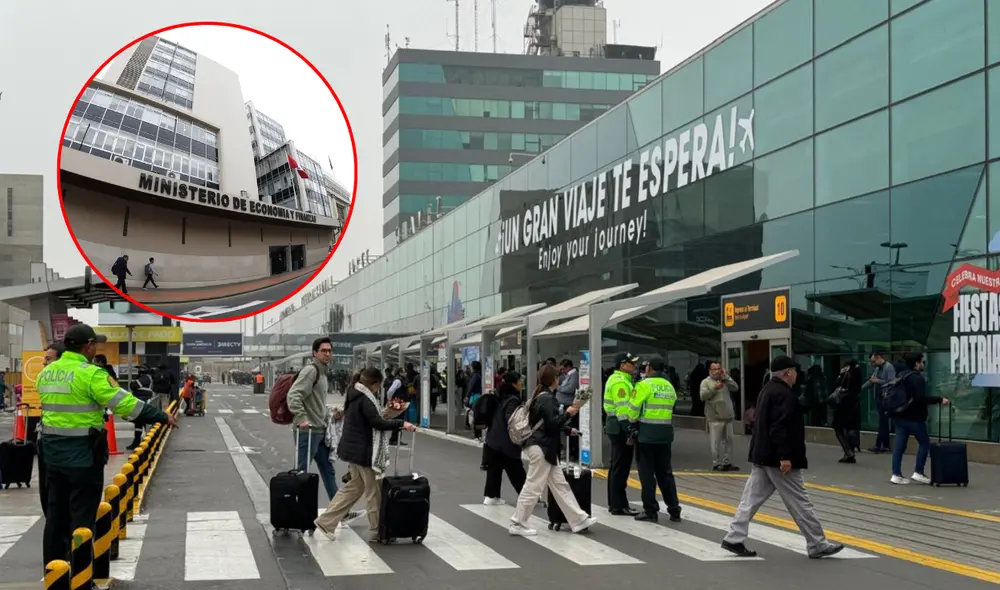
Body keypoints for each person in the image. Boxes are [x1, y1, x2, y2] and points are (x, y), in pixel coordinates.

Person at [36, 323, 177, 570]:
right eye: (94, 344)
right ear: (88, 346)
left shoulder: (47, 372)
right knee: (82, 516)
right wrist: (161, 416)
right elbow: (126, 405)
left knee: (56, 514)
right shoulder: (91, 374)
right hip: (82, 455)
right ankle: (81, 573)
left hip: (51, 455)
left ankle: (53, 570)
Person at [721, 356, 844, 559]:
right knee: (800, 501)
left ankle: (734, 538)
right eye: (794, 371)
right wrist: (785, 456)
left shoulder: (768, 389)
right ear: (787, 372)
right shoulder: (783, 394)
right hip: (778, 459)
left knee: (750, 500)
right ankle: (817, 543)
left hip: (762, 455)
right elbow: (780, 427)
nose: (797, 375)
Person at [314, 367, 416, 539]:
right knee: (373, 491)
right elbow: (377, 422)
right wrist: (401, 423)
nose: (378, 389)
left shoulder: (354, 393)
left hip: (354, 450)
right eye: (379, 386)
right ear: (374, 384)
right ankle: (378, 529)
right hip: (365, 452)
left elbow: (371, 419)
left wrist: (387, 413)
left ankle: (325, 522)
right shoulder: (365, 399)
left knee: (354, 488)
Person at [509, 365, 597, 536]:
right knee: (533, 486)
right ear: (554, 379)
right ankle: (518, 523)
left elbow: (546, 422)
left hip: (544, 448)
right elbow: (552, 423)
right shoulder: (548, 399)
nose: (559, 380)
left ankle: (578, 519)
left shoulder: (540, 397)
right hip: (542, 448)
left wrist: (566, 429)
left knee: (560, 485)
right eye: (558, 377)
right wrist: (570, 413)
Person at [627, 357, 681, 523]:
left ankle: (650, 510)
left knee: (647, 474)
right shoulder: (669, 386)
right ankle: (674, 509)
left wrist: (632, 420)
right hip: (665, 434)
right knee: (665, 472)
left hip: (647, 435)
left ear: (649, 368)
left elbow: (633, 410)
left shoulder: (644, 385)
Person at [287, 337, 339, 501]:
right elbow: (294, 395)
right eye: (323, 351)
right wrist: (302, 418)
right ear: (314, 353)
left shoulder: (322, 373)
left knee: (328, 470)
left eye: (329, 351)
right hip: (307, 432)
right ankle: (293, 509)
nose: (327, 354)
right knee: (301, 473)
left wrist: (330, 412)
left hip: (320, 430)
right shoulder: (311, 371)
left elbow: (314, 401)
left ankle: (339, 511)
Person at [890, 352, 949, 485]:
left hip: (899, 416)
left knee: (899, 447)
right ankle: (918, 472)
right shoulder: (917, 378)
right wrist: (939, 399)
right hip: (914, 417)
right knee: (924, 443)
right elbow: (920, 398)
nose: (923, 364)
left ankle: (896, 474)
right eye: (922, 362)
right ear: (917, 363)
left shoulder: (901, 375)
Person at [482, 371, 528, 505]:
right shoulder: (513, 399)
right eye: (520, 381)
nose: (521, 384)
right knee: (516, 469)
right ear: (514, 383)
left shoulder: (497, 395)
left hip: (493, 437)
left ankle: (491, 496)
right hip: (505, 440)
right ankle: (528, 496)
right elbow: (511, 419)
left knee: (494, 468)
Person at [602, 352, 639, 516]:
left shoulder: (619, 379)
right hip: (620, 427)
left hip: (614, 426)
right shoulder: (620, 382)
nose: (635, 366)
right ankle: (618, 505)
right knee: (620, 467)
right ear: (623, 365)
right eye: (631, 363)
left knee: (617, 466)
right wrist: (629, 429)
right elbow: (622, 408)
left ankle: (617, 503)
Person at [699, 361, 739, 471]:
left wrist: (727, 377)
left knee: (729, 440)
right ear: (710, 371)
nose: (717, 371)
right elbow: (702, 396)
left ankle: (727, 462)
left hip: (728, 415)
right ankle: (716, 463)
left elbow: (735, 388)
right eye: (715, 369)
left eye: (719, 369)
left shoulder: (725, 380)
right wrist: (714, 388)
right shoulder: (705, 382)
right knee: (715, 441)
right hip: (715, 416)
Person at [864, 351, 895, 454]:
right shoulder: (878, 368)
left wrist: (877, 381)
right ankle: (884, 445)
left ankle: (879, 445)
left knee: (883, 421)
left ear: (879, 358)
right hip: (879, 397)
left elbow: (891, 382)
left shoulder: (888, 367)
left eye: (873, 361)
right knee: (883, 422)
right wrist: (860, 389)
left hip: (886, 398)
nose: (873, 364)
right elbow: (871, 381)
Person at [127, 365, 155, 450]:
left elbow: (133, 385)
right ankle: (137, 440)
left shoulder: (145, 378)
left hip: (143, 401)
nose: (138, 371)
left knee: (143, 422)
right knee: (139, 422)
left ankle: (145, 441)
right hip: (140, 401)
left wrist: (134, 382)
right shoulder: (143, 377)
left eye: (139, 370)